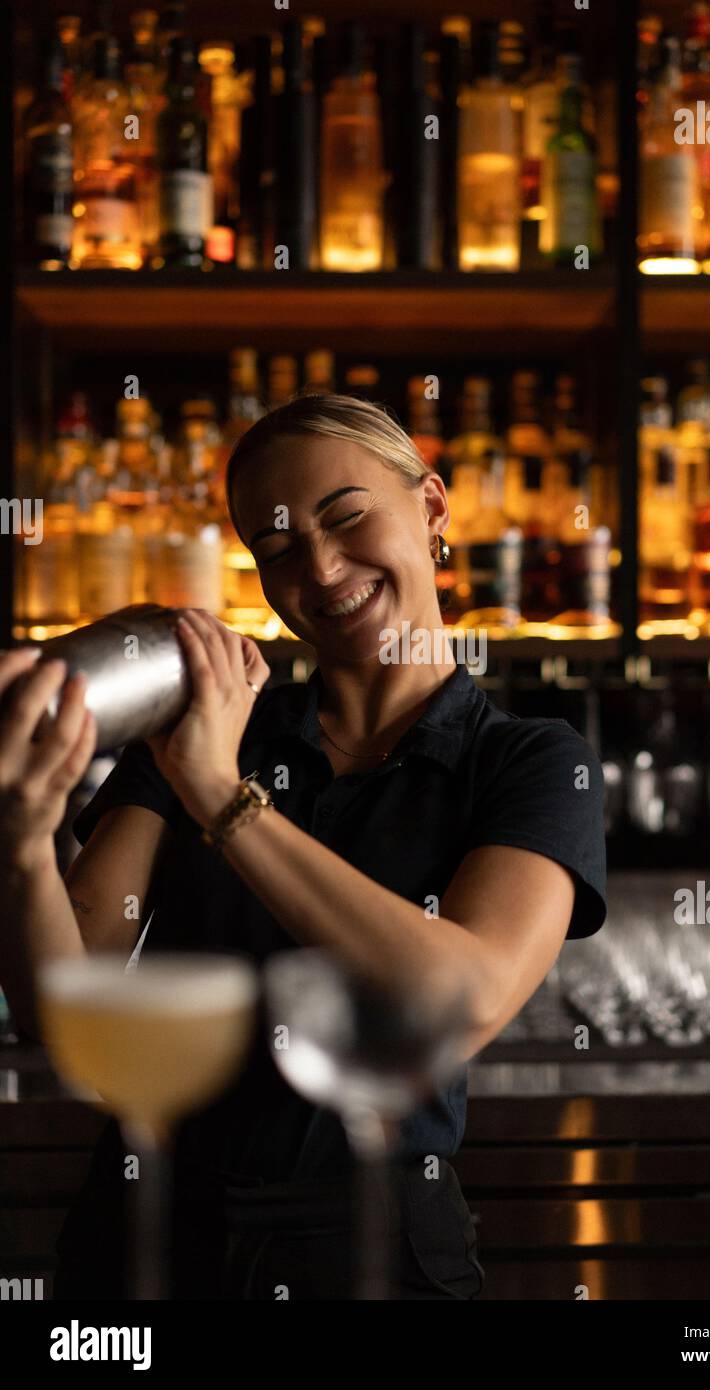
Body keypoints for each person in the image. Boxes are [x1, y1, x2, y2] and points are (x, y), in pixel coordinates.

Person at [0, 393, 606, 1300]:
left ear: (433, 509)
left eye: (347, 516)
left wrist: (221, 795)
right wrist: (19, 845)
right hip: (151, 1242)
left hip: (375, 1251)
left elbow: (460, 997)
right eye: (277, 548)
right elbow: (67, 1017)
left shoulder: (529, 762)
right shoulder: (204, 728)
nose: (321, 571)